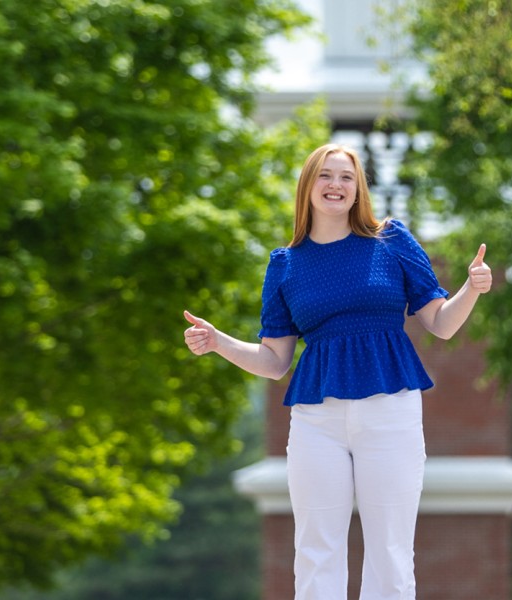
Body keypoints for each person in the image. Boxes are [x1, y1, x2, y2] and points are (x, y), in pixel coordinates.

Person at [182, 143, 491, 599]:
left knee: (389, 549)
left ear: (358, 188)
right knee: (316, 550)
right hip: (316, 420)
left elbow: (441, 323)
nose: (336, 185)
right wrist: (218, 342)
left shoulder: (392, 241)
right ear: (308, 187)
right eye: (326, 176)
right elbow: (275, 361)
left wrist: (471, 288)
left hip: (390, 410)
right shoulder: (285, 265)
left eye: (347, 177)